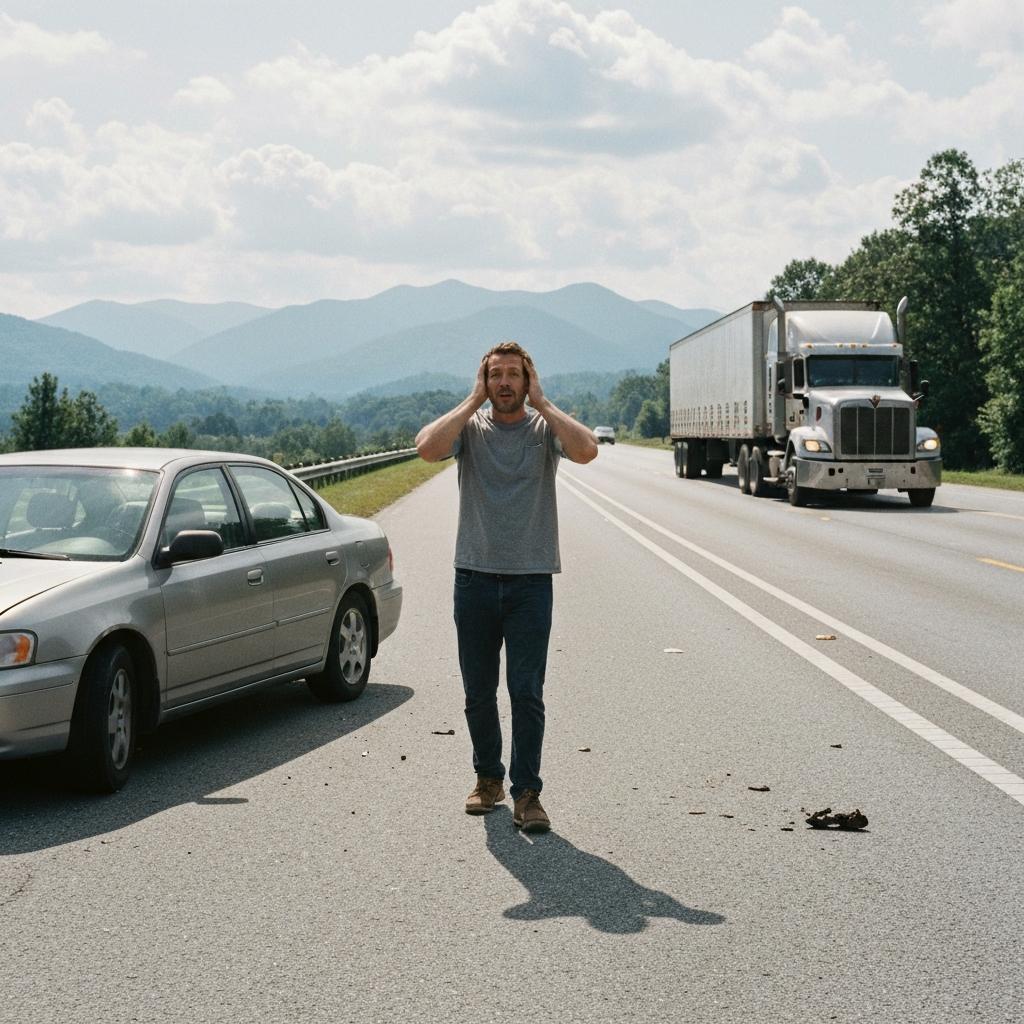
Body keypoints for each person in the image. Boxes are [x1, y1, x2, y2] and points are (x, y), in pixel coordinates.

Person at [416, 341, 598, 833]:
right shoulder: (470, 429)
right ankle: (487, 778)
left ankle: (528, 792)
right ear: (485, 380)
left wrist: (545, 402)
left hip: (530, 581)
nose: (504, 383)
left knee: (526, 691)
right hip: (473, 577)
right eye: (495, 375)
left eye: (513, 375)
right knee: (478, 690)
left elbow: (587, 450)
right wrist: (471, 400)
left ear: (527, 379)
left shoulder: (544, 428)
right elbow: (427, 448)